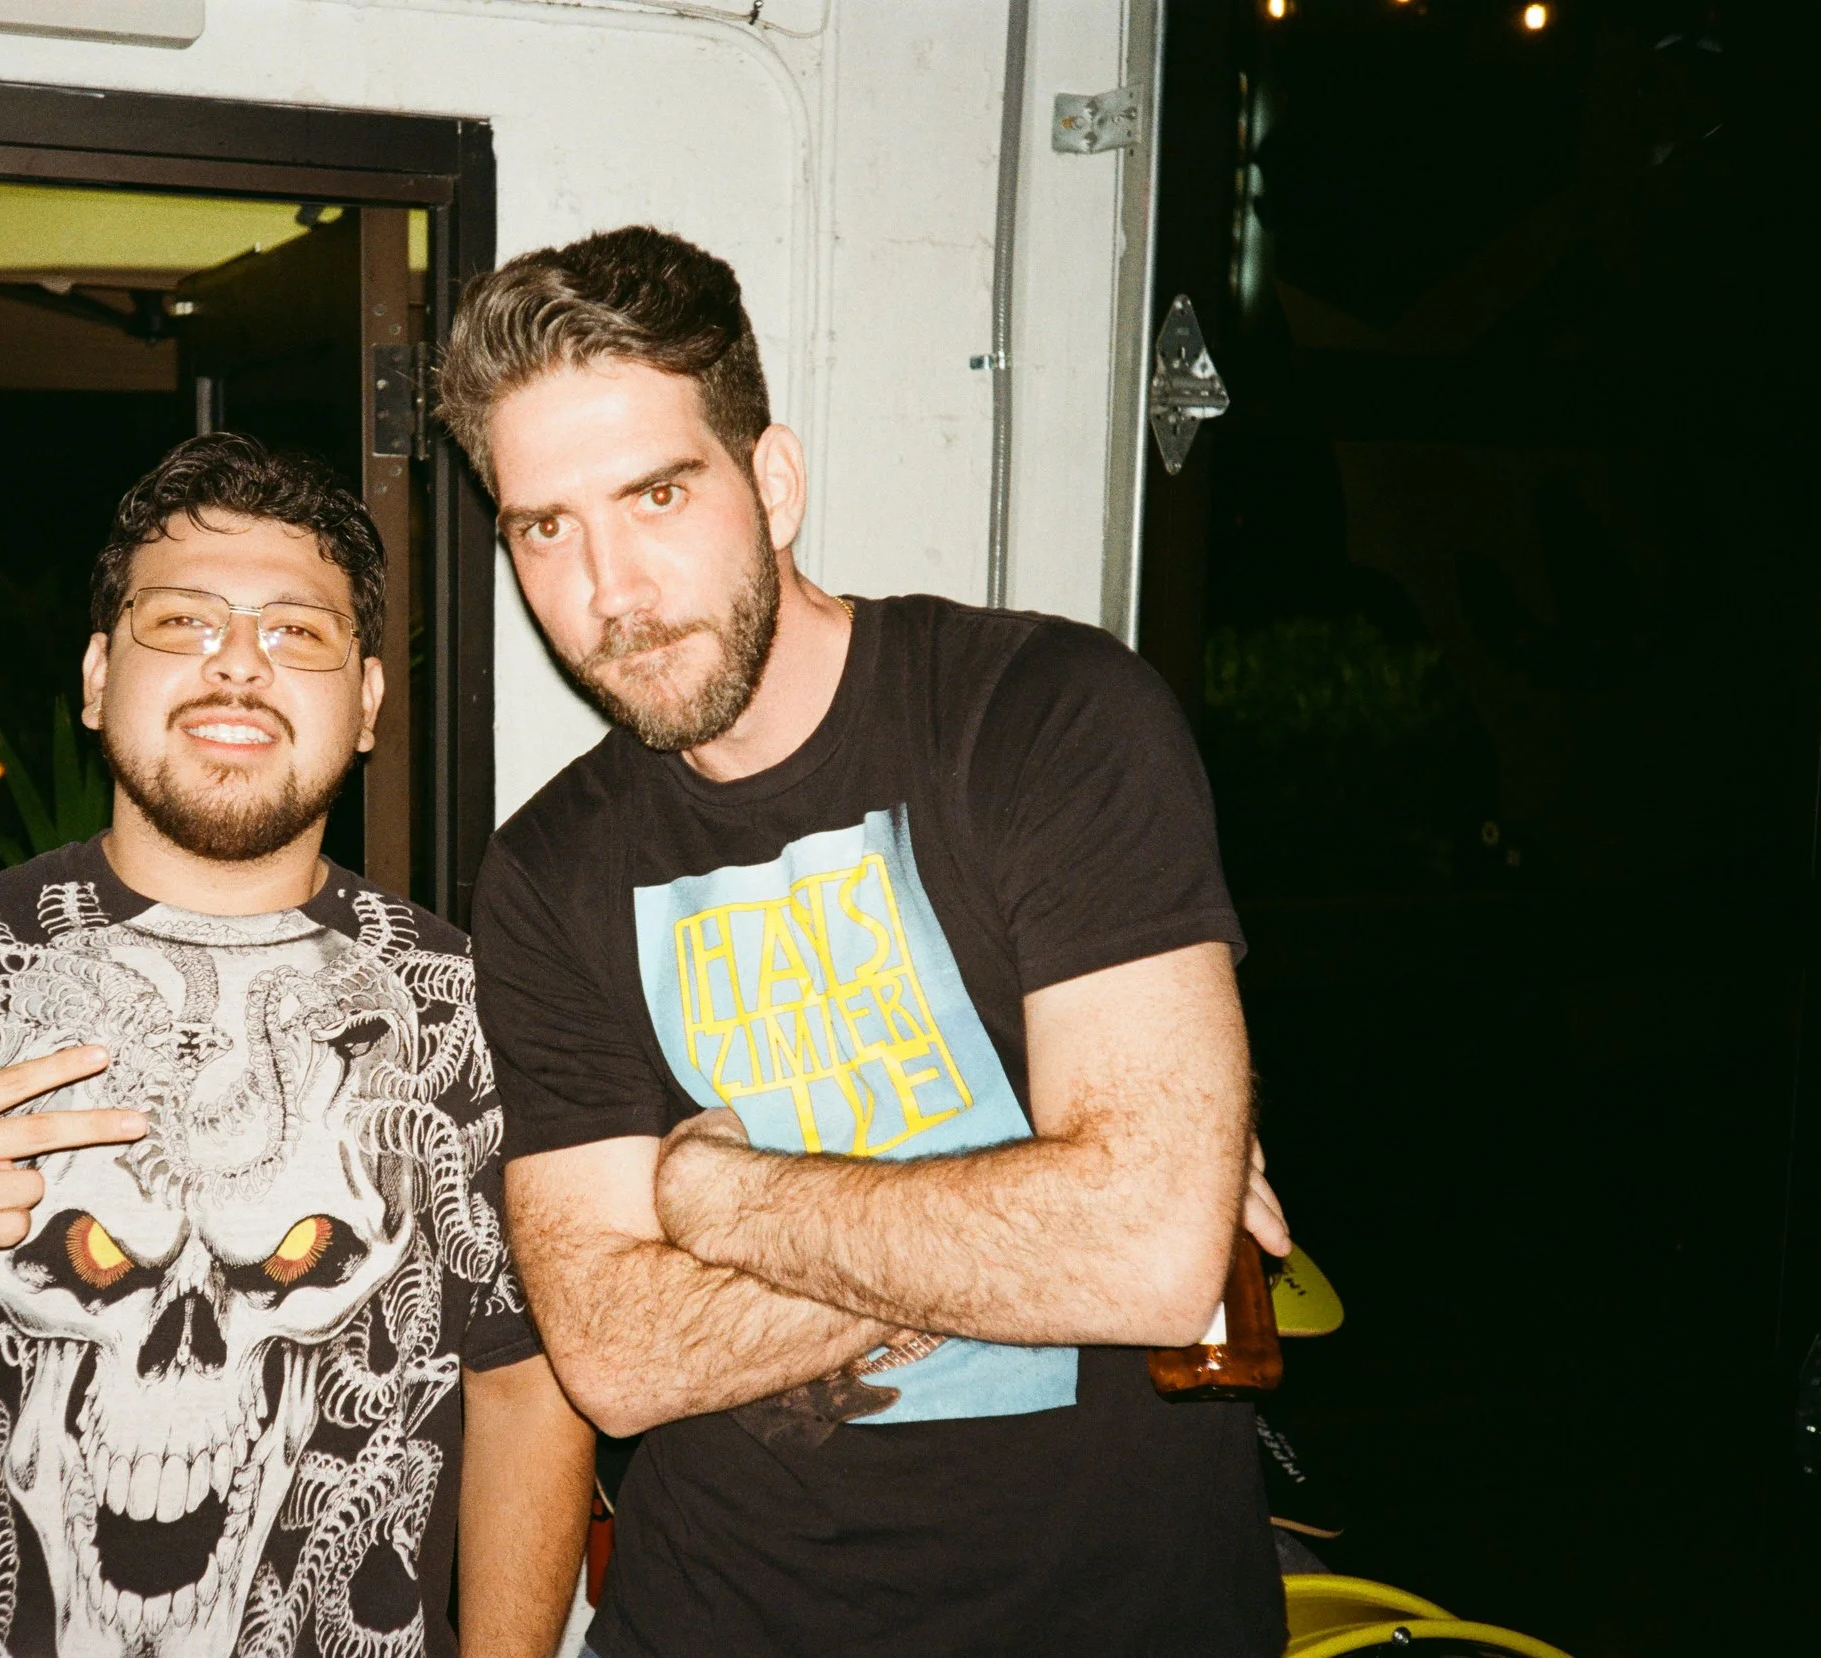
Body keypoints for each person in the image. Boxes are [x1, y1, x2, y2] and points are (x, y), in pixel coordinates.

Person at [440, 226, 1294, 1657]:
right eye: (547, 526)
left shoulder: (1043, 720)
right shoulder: (548, 869)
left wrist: (719, 1198)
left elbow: (1148, 1252)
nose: (612, 590)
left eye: (657, 494)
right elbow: (618, 1356)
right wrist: (1035, 1220)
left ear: (772, 481)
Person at [0, 433, 594, 1658]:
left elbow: (523, 1393)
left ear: (365, 705)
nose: (239, 663)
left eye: (296, 632)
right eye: (183, 622)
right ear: (96, 678)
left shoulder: (472, 1016)